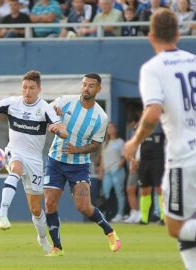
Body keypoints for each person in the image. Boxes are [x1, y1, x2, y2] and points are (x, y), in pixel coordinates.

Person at [124, 8, 196, 270]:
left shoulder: (152, 69)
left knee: (175, 226)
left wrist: (135, 141)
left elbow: (152, 112)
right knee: (183, 221)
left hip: (184, 155)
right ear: (179, 33)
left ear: (150, 36)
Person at [0, 70, 68, 255]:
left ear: (39, 89)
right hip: (14, 152)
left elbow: (64, 132)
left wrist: (58, 130)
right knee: (15, 168)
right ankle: (2, 214)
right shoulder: (12, 103)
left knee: (35, 209)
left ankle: (42, 238)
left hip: (34, 160)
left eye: (31, 88)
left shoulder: (46, 109)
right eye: (24, 87)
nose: (27, 91)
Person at [44, 73, 121, 257]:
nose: (86, 88)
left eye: (91, 86)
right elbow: (46, 115)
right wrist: (52, 120)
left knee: (83, 206)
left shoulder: (101, 117)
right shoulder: (64, 101)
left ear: (98, 89)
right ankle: (57, 247)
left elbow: (96, 144)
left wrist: (77, 150)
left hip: (79, 166)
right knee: (49, 203)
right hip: (55, 160)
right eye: (84, 84)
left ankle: (110, 232)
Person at [138, 122, 165, 225]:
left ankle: (163, 217)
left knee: (160, 189)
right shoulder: (142, 126)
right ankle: (144, 218)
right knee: (145, 190)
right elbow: (137, 143)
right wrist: (135, 159)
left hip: (158, 161)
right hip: (144, 161)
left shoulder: (161, 126)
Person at [99, 122, 126, 223]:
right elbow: (102, 158)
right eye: (108, 128)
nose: (109, 129)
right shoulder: (105, 143)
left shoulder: (120, 142)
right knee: (105, 194)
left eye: (111, 127)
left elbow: (124, 156)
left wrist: (119, 165)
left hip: (117, 170)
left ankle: (120, 214)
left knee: (119, 193)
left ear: (115, 129)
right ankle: (104, 215)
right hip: (107, 172)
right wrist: (101, 170)